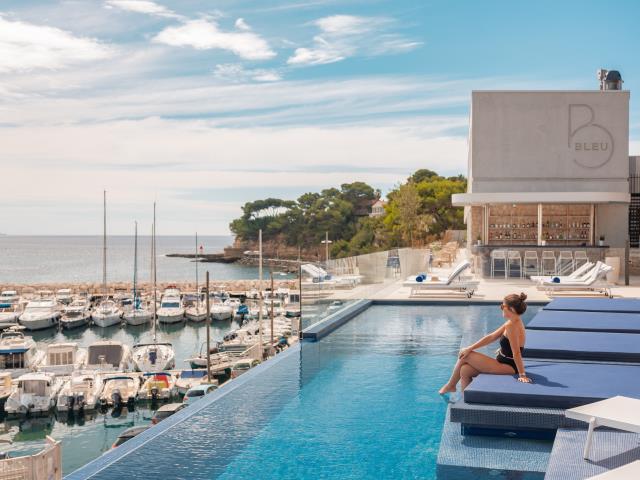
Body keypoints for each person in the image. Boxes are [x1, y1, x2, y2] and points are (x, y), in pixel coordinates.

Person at [439, 292, 532, 394]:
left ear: (511, 309)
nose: (500, 308)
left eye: (502, 306)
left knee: (466, 355)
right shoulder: (512, 322)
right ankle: (465, 400)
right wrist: (470, 347)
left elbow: (517, 353)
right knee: (465, 370)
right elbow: (491, 337)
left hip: (508, 366)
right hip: (503, 363)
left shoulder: (512, 326)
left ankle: (451, 385)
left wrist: (522, 375)